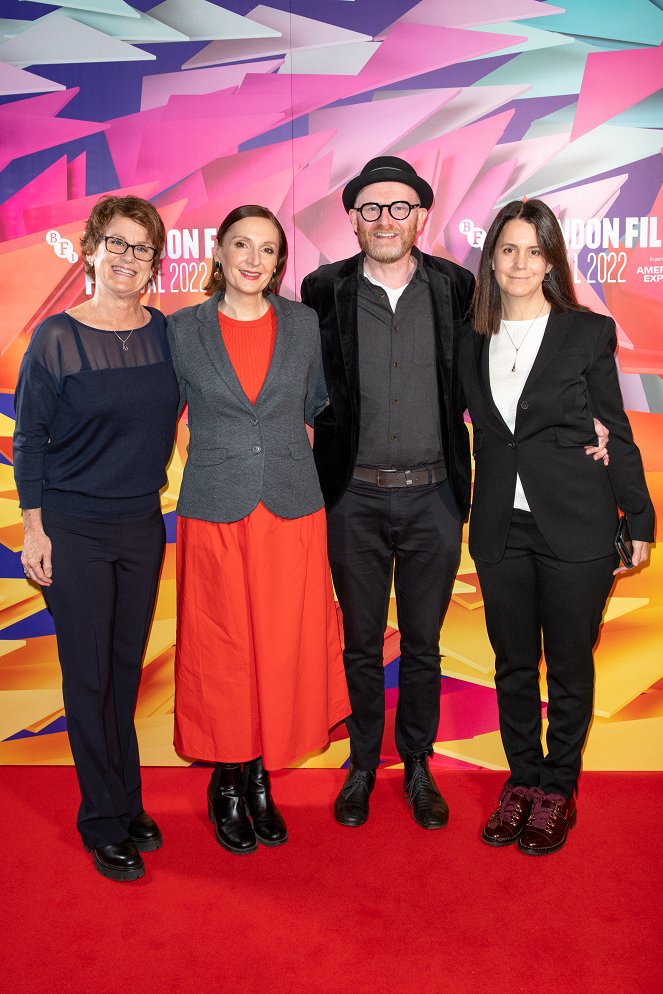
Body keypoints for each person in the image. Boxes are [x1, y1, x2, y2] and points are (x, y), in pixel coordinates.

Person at [301, 157, 610, 832]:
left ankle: (415, 762)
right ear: (352, 218)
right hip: (350, 496)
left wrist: (582, 417)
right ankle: (360, 763)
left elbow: (515, 370)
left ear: (422, 216)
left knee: (421, 644)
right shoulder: (320, 289)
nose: (386, 220)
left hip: (434, 498)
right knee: (357, 643)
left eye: (400, 207)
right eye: (371, 209)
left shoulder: (457, 288)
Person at [463, 198, 654, 855]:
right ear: (491, 256)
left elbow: (613, 429)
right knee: (513, 664)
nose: (519, 262)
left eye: (532, 250)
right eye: (508, 249)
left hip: (576, 523)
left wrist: (639, 515)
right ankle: (520, 782)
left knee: (568, 666)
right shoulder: (469, 334)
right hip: (499, 526)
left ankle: (556, 791)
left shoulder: (584, 332)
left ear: (549, 260)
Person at [167, 205, 349, 855]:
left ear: (279, 263)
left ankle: (259, 779)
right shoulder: (181, 330)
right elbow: (157, 412)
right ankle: (227, 780)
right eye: (239, 245)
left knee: (277, 646)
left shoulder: (302, 325)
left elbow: (316, 405)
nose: (252, 258)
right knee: (222, 652)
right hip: (214, 508)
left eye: (267, 249)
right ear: (217, 253)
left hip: (290, 508)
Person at [13, 195, 179, 881]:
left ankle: (127, 800)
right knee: (87, 679)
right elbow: (28, 441)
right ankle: (102, 820)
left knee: (121, 674)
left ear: (154, 262)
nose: (127, 258)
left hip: (141, 524)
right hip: (73, 530)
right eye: (116, 243)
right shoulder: (56, 338)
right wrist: (34, 529)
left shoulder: (164, 333)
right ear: (90, 250)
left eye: (141, 248)